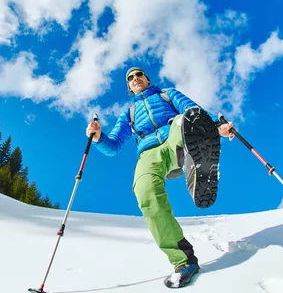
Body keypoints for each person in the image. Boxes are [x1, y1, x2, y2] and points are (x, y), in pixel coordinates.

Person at [85, 67, 234, 288]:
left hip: (174, 137)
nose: (135, 79)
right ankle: (184, 261)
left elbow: (193, 110)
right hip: (149, 153)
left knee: (185, 119)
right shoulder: (130, 113)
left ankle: (196, 164)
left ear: (147, 79)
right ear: (128, 86)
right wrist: (97, 137)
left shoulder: (167, 94)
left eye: (139, 75)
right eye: (130, 78)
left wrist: (216, 125)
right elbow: (114, 145)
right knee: (144, 192)